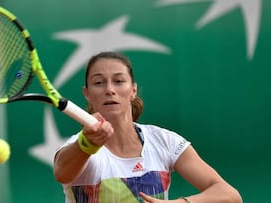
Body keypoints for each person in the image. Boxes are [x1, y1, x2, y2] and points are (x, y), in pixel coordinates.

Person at [53, 51, 242, 203]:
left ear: (133, 90)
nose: (109, 89)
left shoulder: (164, 141)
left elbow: (229, 195)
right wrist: (87, 144)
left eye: (119, 81)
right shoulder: (79, 147)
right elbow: (62, 173)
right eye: (99, 83)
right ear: (87, 94)